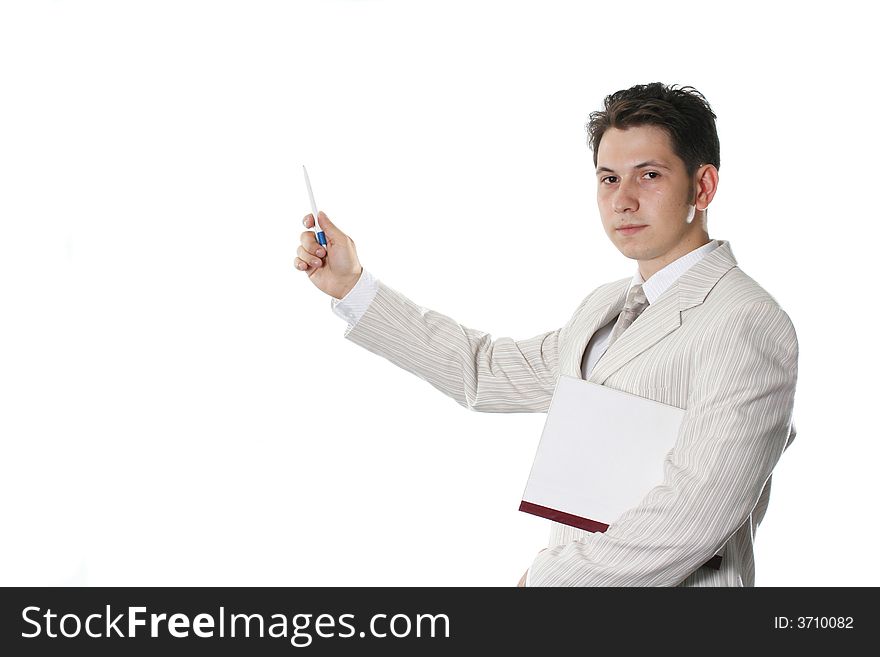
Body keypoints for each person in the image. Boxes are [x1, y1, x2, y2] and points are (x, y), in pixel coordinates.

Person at [294, 82, 799, 587]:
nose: (622, 200)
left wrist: (544, 583)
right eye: (608, 178)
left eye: (649, 175)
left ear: (703, 186)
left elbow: (695, 514)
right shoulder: (603, 307)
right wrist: (353, 286)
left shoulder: (746, 322)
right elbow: (484, 371)